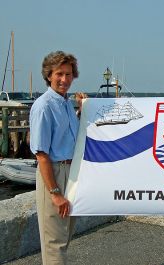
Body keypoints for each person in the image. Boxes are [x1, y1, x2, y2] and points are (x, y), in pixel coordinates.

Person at [30, 51, 85, 265]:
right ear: (49, 75)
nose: (64, 79)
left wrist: (81, 110)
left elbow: (72, 137)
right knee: (55, 244)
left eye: (69, 74)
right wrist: (54, 193)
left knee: (65, 237)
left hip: (71, 172)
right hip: (54, 173)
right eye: (59, 74)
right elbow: (41, 154)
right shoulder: (44, 106)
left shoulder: (65, 103)